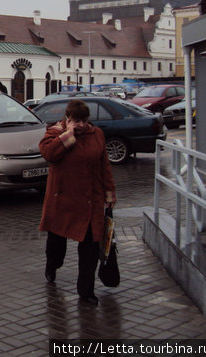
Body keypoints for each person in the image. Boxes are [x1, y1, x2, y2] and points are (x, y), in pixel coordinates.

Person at [38, 99, 116, 305]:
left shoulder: (96, 134)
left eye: (84, 121)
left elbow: (104, 166)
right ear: (68, 118)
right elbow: (48, 154)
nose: (81, 125)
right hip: (63, 199)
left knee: (90, 248)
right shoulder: (55, 133)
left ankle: (86, 291)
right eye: (76, 121)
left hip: (90, 200)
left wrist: (109, 193)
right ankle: (52, 266)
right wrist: (68, 136)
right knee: (56, 245)